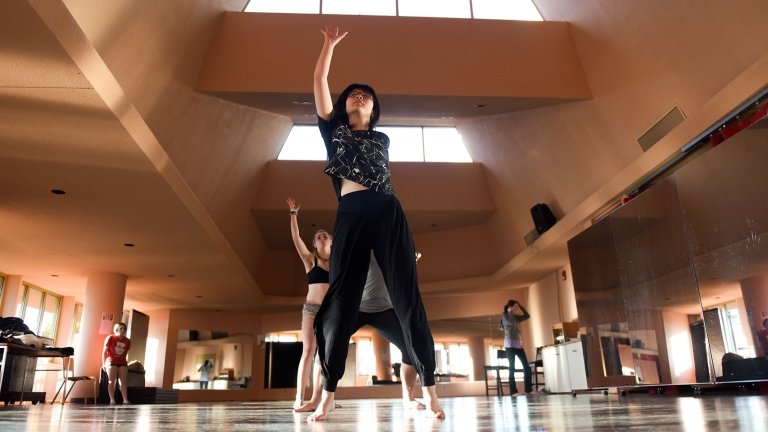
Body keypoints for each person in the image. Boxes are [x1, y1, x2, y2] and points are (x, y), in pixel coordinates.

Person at [310, 25, 444, 421]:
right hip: (351, 212)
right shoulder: (333, 130)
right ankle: (329, 391)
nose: (361, 95)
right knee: (340, 300)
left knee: (408, 298)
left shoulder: (382, 138)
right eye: (354, 92)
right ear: (343, 105)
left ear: (373, 109)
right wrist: (329, 45)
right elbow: (319, 80)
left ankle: (432, 390)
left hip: (387, 211)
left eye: (367, 95)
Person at [297, 252, 427, 413]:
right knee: (326, 348)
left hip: (384, 308)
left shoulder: (391, 247)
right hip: (356, 307)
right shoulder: (357, 246)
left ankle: (409, 399)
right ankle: (318, 400)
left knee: (410, 348)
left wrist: (408, 259)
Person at [287, 196, 333, 410]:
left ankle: (323, 398)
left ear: (331, 241)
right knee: (308, 351)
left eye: (325, 236)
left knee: (325, 357)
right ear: (314, 244)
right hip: (312, 310)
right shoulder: (310, 260)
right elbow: (296, 239)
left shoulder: (338, 263)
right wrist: (294, 214)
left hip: (331, 312)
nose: (322, 238)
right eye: (318, 237)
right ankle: (299, 397)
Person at [499, 299, 533, 395]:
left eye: (517, 307)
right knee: (512, 367)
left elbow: (527, 316)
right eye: (515, 306)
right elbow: (509, 322)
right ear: (510, 306)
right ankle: (513, 391)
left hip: (518, 344)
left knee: (526, 366)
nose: (516, 308)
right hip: (509, 344)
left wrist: (521, 306)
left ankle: (528, 390)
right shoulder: (504, 315)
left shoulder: (515, 317)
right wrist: (509, 312)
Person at [102, 321, 131, 404]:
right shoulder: (110, 338)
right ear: (116, 329)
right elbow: (104, 352)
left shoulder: (128, 341)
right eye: (121, 328)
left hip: (122, 363)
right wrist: (103, 364)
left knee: (123, 382)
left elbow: (126, 353)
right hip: (111, 362)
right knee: (112, 381)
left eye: (124, 329)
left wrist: (126, 361)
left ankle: (125, 400)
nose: (122, 330)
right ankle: (112, 399)